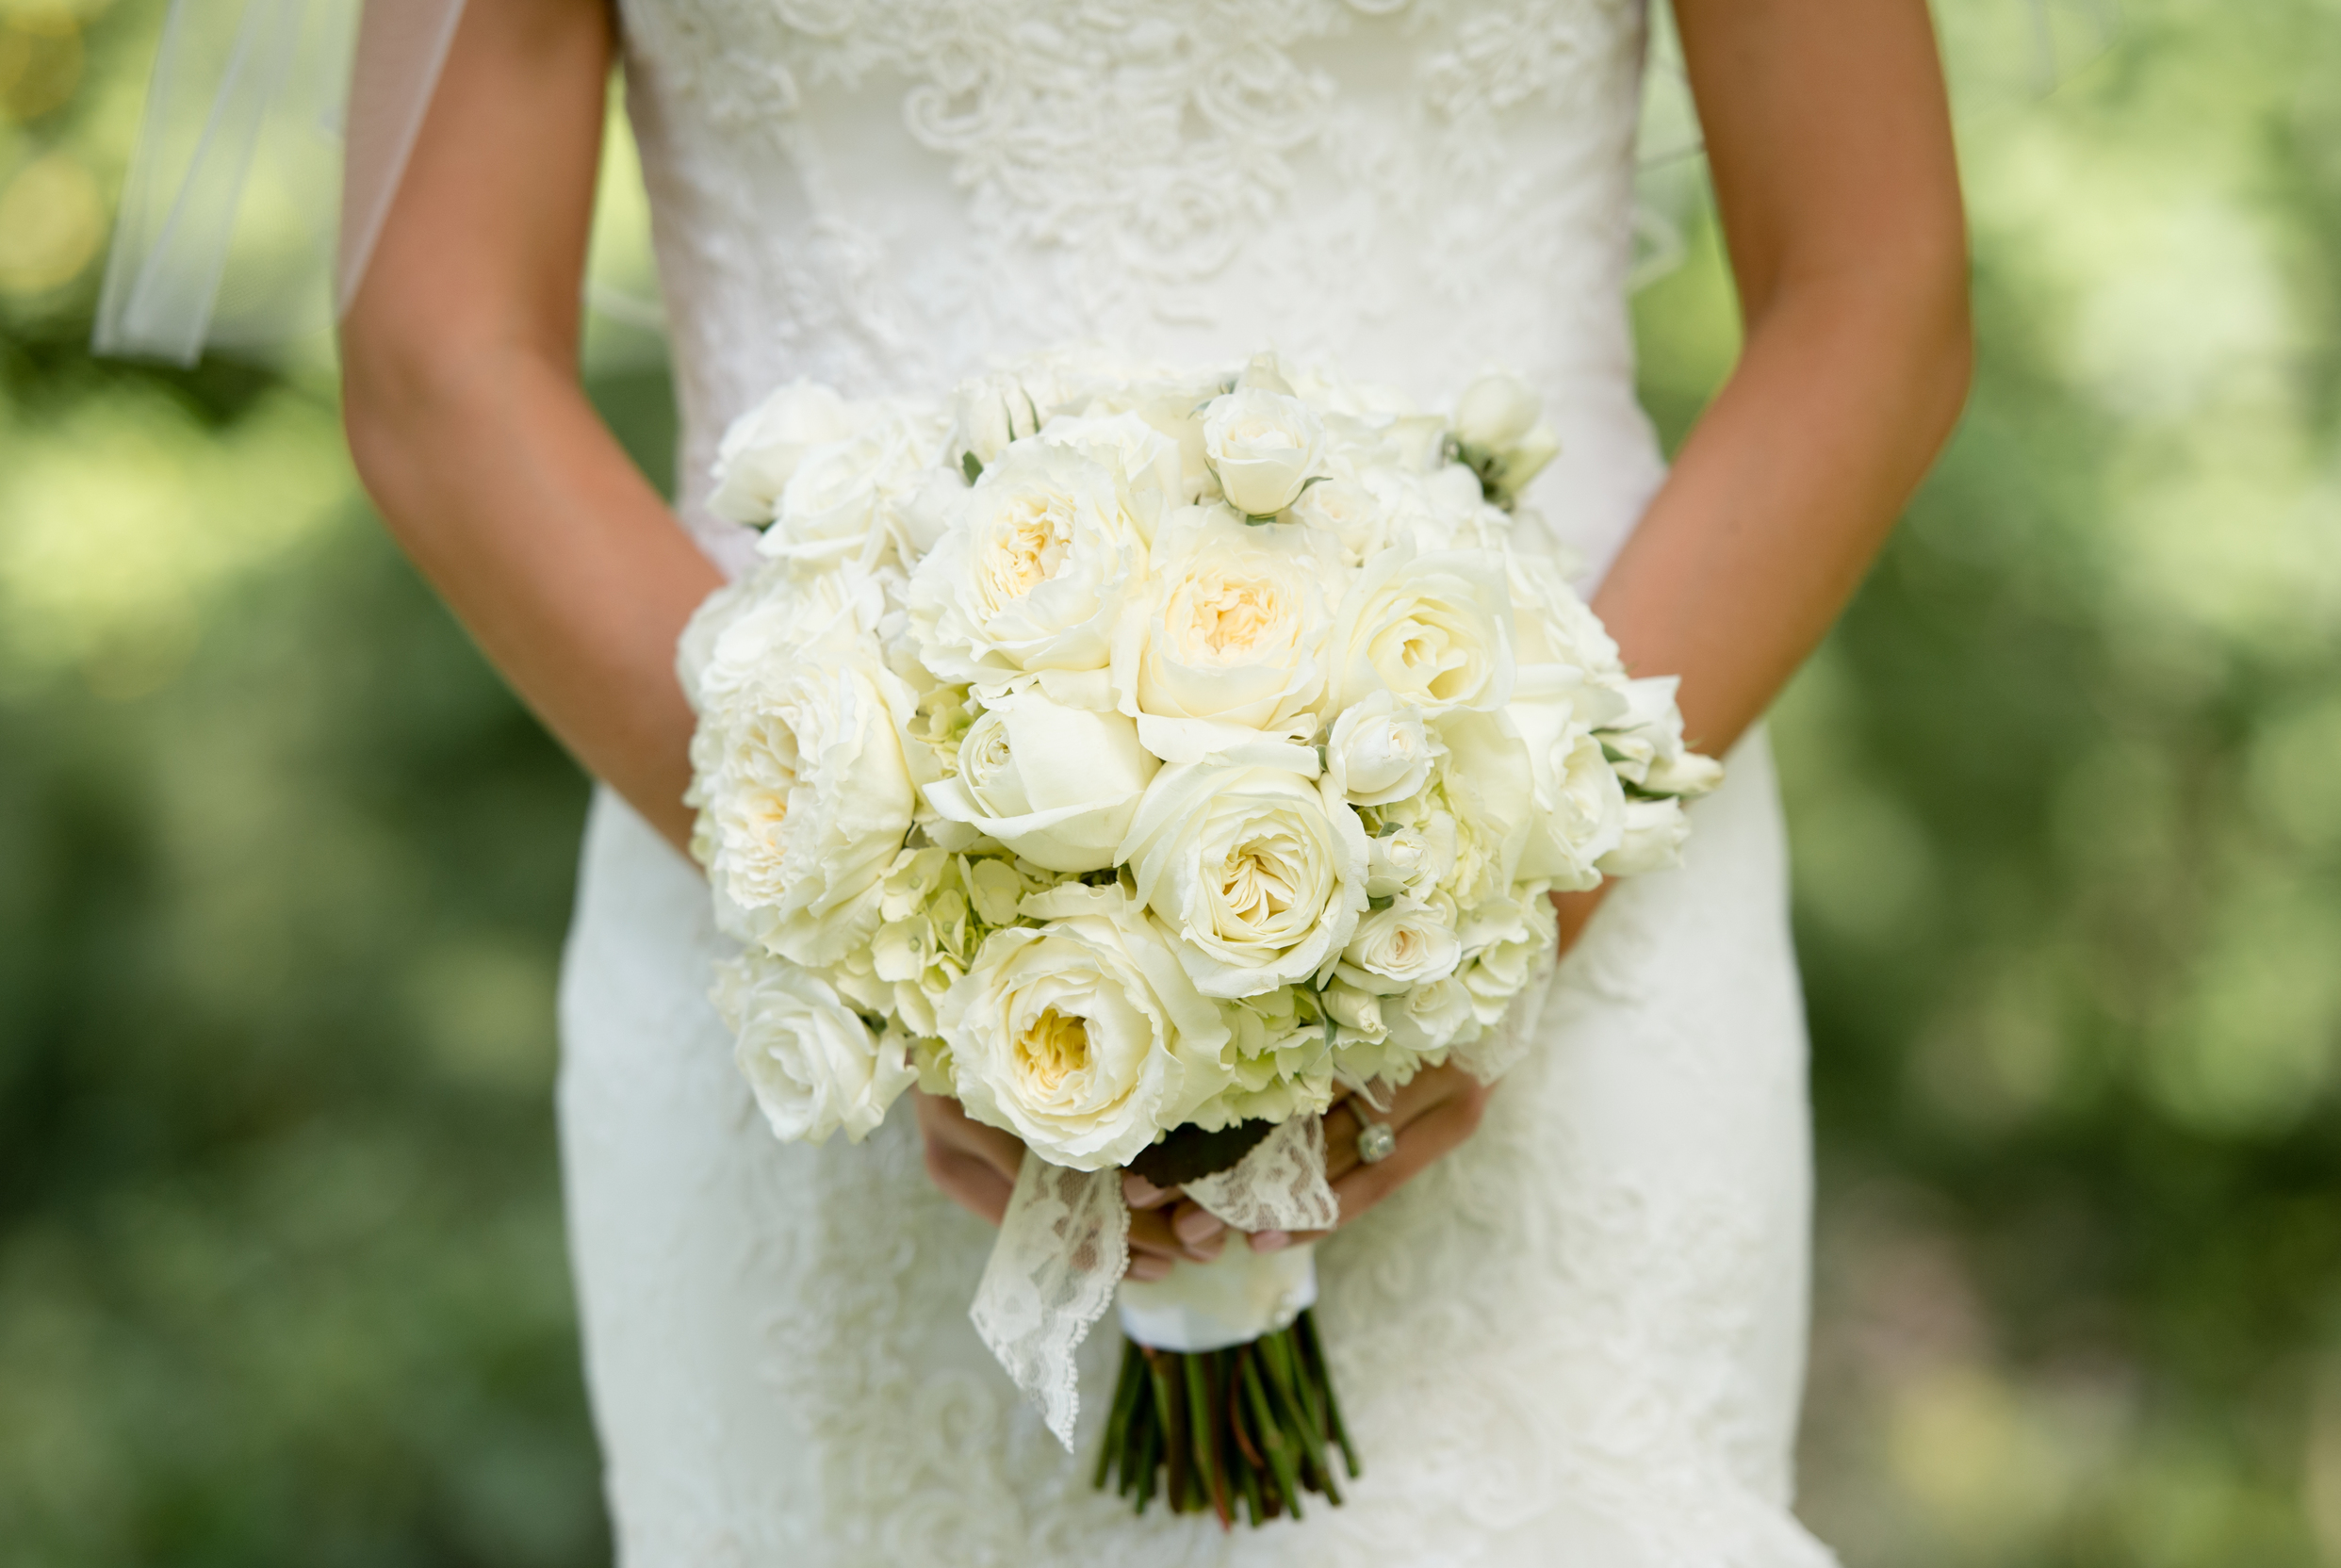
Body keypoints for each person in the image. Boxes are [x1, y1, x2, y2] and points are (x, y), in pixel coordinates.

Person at [333, 0, 1968, 1560]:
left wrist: (1469, 912)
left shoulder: (1503, 896)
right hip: (795, 947)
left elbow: (1872, 286)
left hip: (1553, 860)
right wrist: (879, 918)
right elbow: (436, 350)